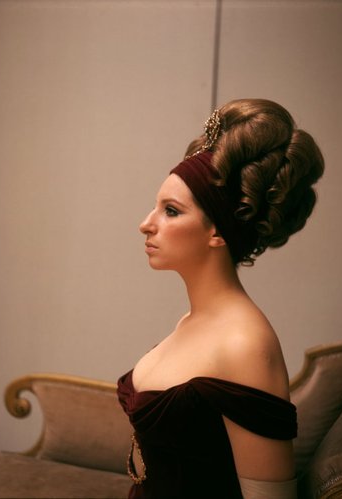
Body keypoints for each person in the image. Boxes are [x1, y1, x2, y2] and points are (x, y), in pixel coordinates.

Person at [117, 98, 324, 499]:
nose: (146, 224)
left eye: (171, 211)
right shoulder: (192, 320)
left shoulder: (245, 344)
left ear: (218, 232)